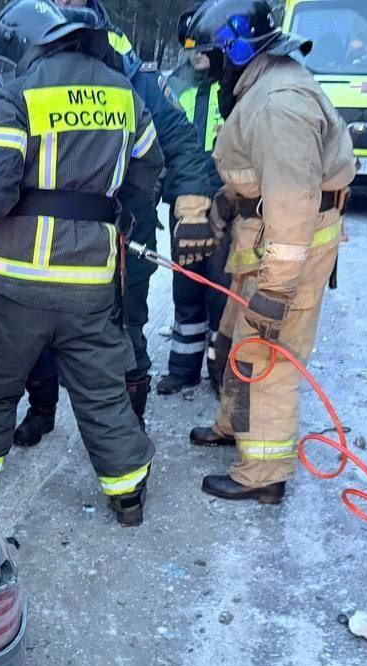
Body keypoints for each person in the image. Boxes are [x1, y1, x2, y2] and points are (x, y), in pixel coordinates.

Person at [0, 0, 163, 526]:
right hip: (91, 282)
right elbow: (146, 175)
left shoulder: (21, 92)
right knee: (101, 388)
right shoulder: (123, 93)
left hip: (16, 282)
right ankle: (128, 495)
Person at [0, 0, 216, 446]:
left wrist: (189, 204)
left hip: (119, 231)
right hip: (33, 230)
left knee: (123, 333)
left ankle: (130, 428)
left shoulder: (123, 63)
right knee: (32, 329)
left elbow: (178, 142)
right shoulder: (18, 60)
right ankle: (42, 409)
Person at [180, 0, 355, 505]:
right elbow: (263, 177)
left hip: (285, 250)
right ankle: (235, 425)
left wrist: (277, 288)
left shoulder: (279, 105)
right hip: (260, 239)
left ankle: (263, 473)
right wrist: (224, 205)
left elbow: (293, 199)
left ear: (235, 48)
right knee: (239, 334)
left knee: (267, 354)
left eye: (209, 56)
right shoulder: (265, 87)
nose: (204, 68)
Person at [156, 8, 232, 398]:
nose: (195, 54)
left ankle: (221, 372)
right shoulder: (175, 86)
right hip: (182, 203)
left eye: (203, 46)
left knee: (221, 289)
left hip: (223, 204)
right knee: (186, 284)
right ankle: (183, 368)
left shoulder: (234, 88)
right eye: (190, 47)